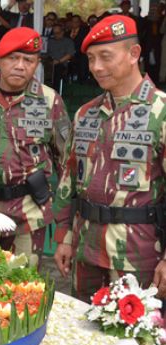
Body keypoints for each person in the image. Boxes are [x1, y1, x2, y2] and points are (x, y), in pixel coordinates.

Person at [53, 15, 166, 302]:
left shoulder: (161, 112)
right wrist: (64, 237)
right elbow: (68, 181)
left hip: (137, 256)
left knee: (134, 340)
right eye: (91, 59)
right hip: (85, 249)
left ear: (134, 54)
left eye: (105, 57)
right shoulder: (85, 114)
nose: (96, 67)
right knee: (85, 334)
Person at [0, 27, 71, 264]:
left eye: (28, 60)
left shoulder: (50, 101)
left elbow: (66, 165)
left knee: (24, 287)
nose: (20, 66)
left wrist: (64, 224)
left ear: (37, 64)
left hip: (28, 215)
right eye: (13, 58)